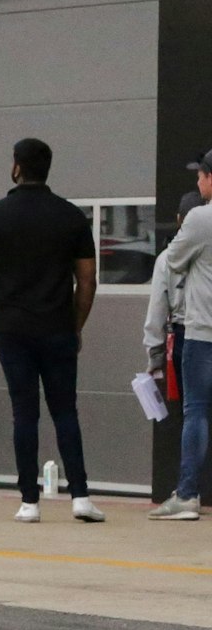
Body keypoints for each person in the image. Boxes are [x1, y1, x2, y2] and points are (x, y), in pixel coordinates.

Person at [0, 138, 104, 523]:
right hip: (57, 326)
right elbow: (88, 280)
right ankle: (80, 497)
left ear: (16, 167)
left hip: (11, 329)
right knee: (65, 411)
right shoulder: (71, 217)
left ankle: (29, 502)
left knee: (23, 413)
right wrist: (76, 325)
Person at [141, 150, 212, 520]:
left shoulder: (201, 218)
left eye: (201, 176)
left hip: (202, 332)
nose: (199, 184)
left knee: (196, 411)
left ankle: (187, 495)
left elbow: (173, 259)